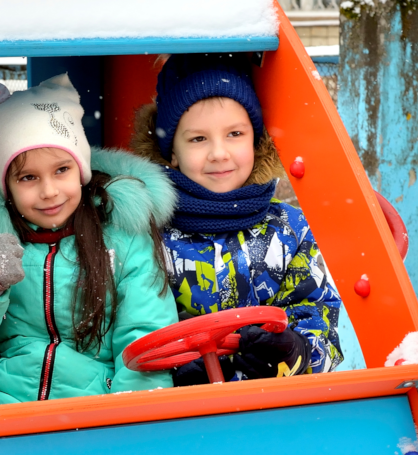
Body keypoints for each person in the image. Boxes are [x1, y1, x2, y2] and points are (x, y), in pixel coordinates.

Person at [0, 76, 177, 404]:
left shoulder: (123, 237)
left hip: (95, 410)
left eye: (61, 170)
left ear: (81, 170)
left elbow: (145, 337)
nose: (49, 190)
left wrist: (128, 421)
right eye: (28, 177)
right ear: (6, 187)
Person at [131, 53, 346, 383]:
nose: (219, 153)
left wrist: (296, 351)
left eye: (234, 134)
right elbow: (131, 327)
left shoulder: (291, 229)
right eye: (198, 139)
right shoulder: (148, 235)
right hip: (179, 413)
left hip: (276, 409)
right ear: (172, 152)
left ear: (255, 140)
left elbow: (319, 314)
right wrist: (172, 372)